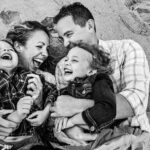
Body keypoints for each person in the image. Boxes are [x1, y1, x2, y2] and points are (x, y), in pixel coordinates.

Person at [51, 1, 150, 149]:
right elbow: (63, 112)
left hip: (132, 136)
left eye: (69, 34)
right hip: (89, 140)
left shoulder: (126, 48)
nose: (65, 43)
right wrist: (70, 128)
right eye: (61, 38)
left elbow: (135, 102)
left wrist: (77, 106)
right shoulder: (62, 66)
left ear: (90, 26)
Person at [46, 42, 116, 148]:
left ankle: (92, 139)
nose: (66, 63)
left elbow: (107, 108)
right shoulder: (71, 86)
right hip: (77, 133)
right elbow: (60, 104)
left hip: (98, 125)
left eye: (74, 60)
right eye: (66, 59)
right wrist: (63, 117)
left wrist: (72, 121)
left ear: (91, 71)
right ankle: (81, 141)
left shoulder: (99, 80)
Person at [0, 21, 55, 150]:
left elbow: (46, 128)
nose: (45, 54)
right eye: (39, 46)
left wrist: (43, 106)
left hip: (29, 141)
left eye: (47, 49)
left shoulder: (41, 78)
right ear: (19, 46)